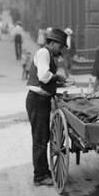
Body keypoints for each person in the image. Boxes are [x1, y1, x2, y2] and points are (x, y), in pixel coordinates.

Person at [25, 28, 68, 186]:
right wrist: (57, 77)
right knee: (40, 139)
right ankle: (39, 176)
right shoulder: (44, 53)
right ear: (53, 43)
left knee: (43, 137)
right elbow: (43, 76)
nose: (61, 50)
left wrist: (58, 81)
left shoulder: (48, 54)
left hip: (42, 100)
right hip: (36, 100)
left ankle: (43, 170)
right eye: (61, 46)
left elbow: (46, 77)